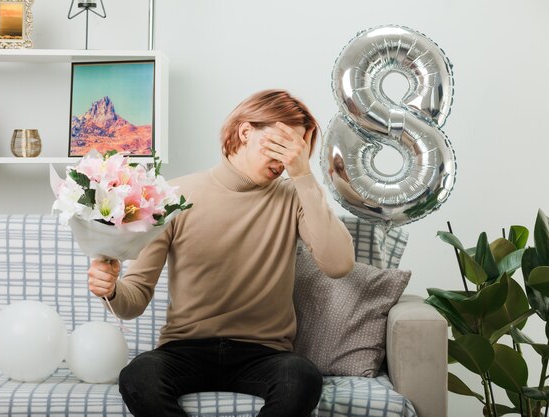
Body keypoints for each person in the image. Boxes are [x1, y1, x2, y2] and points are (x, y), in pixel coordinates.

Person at [87, 89, 356, 417]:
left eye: (296, 151)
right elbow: (134, 300)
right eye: (282, 145)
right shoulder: (176, 195)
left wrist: (303, 175)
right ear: (246, 132)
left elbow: (339, 264)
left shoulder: (294, 195)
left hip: (266, 354)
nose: (285, 160)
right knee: (139, 376)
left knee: (301, 378)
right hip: (185, 350)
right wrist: (112, 289)